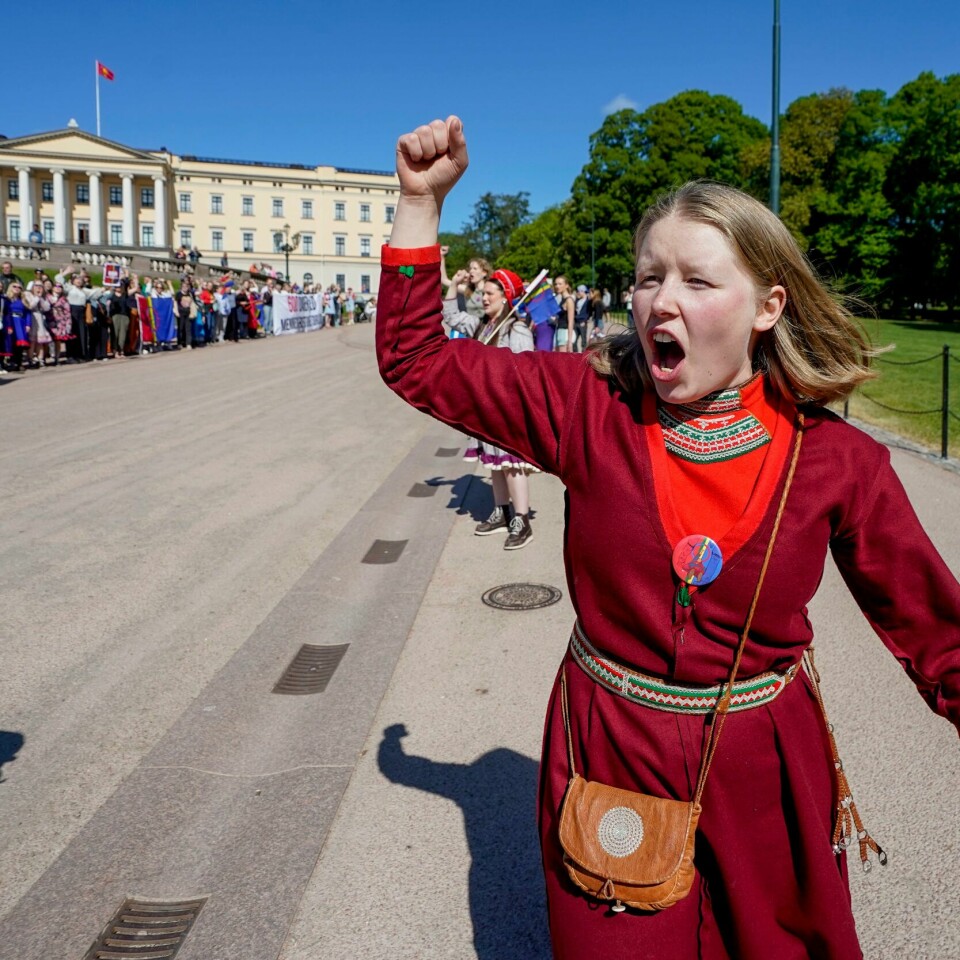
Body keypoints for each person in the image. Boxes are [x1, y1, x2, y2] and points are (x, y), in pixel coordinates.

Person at [377, 116, 960, 959]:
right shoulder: (586, 409)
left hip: (766, 763)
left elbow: (938, 635)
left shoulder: (841, 462)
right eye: (649, 277)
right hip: (611, 745)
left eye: (697, 279)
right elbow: (415, 358)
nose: (663, 299)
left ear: (768, 306)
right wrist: (419, 205)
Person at [441, 264, 537, 550]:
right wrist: (453, 285)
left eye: (490, 294)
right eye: (483, 293)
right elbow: (451, 317)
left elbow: (528, 369)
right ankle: (501, 511)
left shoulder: (516, 328)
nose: (484, 298)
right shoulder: (482, 324)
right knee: (493, 464)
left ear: (505, 297)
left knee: (512, 465)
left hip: (508, 405)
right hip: (486, 405)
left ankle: (522, 519)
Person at [553, 276, 576, 353]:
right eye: (556, 284)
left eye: (560, 284)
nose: (557, 286)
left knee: (562, 361)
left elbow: (571, 321)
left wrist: (570, 341)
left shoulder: (569, 300)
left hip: (565, 332)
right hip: (559, 331)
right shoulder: (561, 300)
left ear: (566, 285)